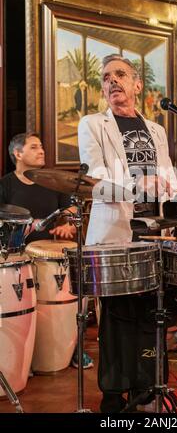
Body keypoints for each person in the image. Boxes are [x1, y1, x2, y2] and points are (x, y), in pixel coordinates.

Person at [78, 54, 177, 412]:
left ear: (138, 85)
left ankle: (146, 385)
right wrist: (139, 184)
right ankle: (113, 394)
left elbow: (168, 176)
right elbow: (95, 182)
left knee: (151, 312)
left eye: (120, 74)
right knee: (117, 318)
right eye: (106, 77)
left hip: (153, 234)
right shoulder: (92, 124)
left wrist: (170, 189)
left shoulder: (157, 130)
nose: (112, 81)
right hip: (115, 234)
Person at [0, 132, 94, 369]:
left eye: (41, 146)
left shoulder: (53, 182)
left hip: (54, 255)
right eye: (34, 147)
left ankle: (74, 347)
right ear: (18, 154)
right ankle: (23, 355)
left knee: (79, 297)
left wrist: (66, 224)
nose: (41, 151)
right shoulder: (6, 184)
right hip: (19, 255)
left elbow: (72, 209)